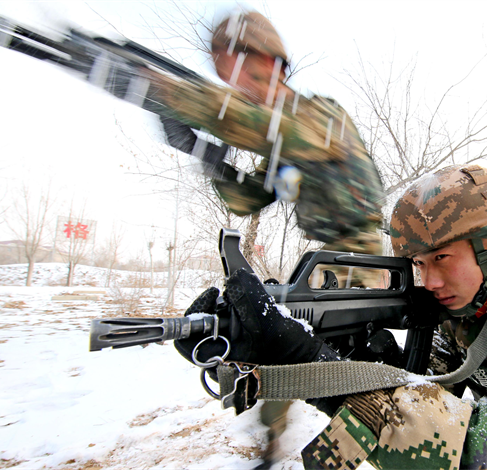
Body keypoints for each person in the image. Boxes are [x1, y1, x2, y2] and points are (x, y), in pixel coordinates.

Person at [178, 164, 487, 470]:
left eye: (442, 258)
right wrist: (333, 359)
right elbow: (436, 411)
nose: (431, 281)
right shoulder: (461, 312)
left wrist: (324, 373)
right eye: (419, 265)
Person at [153, 10, 385, 469]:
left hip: (362, 257)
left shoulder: (318, 117)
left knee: (329, 354)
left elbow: (261, 126)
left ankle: (381, 435)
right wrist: (205, 152)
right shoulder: (279, 143)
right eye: (224, 80)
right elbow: (248, 198)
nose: (236, 89)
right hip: (323, 257)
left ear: (272, 63)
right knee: (283, 338)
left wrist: (169, 93)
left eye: (237, 75)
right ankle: (275, 437)